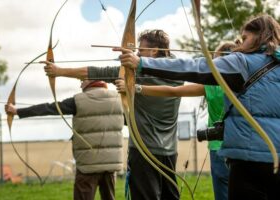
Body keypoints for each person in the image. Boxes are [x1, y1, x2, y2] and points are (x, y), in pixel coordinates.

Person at [115, 14, 280, 200]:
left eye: (245, 38)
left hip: (249, 160)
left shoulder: (242, 61)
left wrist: (142, 63)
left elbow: (196, 67)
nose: (240, 44)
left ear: (260, 36)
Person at [42, 29, 183, 200]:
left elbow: (95, 72)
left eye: (141, 50)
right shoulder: (178, 72)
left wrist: (59, 71)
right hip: (170, 152)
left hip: (143, 152)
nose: (137, 53)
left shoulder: (137, 75)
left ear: (154, 51)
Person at [116, 41, 236, 200]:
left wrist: (135, 87)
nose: (213, 65)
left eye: (215, 60)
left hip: (218, 147)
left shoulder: (212, 86)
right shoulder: (248, 82)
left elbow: (173, 90)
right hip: (244, 148)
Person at [5, 80, 124, 200]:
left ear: (90, 80)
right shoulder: (119, 99)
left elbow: (49, 108)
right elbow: (130, 123)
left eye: (82, 80)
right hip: (111, 165)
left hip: (88, 165)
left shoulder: (78, 100)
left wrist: (17, 111)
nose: (80, 84)